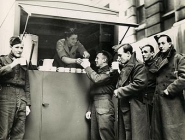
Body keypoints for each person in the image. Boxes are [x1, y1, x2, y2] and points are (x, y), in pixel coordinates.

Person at [150, 34, 185, 140]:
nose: (160, 46)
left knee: (173, 132)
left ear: (170, 44)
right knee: (159, 133)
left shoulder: (178, 58)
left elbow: (184, 78)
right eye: (159, 44)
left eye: (163, 43)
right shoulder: (157, 59)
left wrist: (169, 90)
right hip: (158, 100)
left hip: (172, 101)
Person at [80, 50, 119, 140]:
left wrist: (87, 67)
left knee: (106, 135)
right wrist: (90, 109)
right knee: (95, 136)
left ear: (104, 60)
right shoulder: (100, 72)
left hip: (104, 104)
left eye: (97, 58)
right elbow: (94, 91)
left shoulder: (111, 72)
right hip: (96, 105)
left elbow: (97, 79)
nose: (95, 60)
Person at [113, 44, 149, 140]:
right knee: (127, 133)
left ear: (128, 54)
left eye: (120, 55)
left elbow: (140, 83)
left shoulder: (138, 66)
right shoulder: (126, 66)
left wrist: (120, 91)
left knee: (135, 135)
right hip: (127, 105)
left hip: (135, 106)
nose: (118, 58)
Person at [0, 36, 31, 140]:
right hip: (6, 95)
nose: (20, 50)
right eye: (17, 47)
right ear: (11, 47)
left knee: (19, 133)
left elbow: (26, 84)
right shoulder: (3, 59)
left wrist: (27, 104)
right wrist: (13, 64)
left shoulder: (24, 62)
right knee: (4, 132)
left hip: (21, 97)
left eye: (21, 48)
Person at [140, 44, 156, 139]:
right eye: (142, 52)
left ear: (152, 53)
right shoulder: (142, 67)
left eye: (145, 52)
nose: (143, 54)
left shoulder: (157, 65)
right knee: (145, 127)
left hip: (153, 99)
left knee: (154, 127)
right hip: (143, 100)